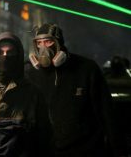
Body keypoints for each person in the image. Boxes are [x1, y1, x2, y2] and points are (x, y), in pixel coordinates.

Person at [25, 23, 128, 157]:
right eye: (39, 43)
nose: (43, 47)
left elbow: (107, 113)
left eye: (48, 42)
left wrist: (120, 151)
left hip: (86, 151)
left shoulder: (87, 69)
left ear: (59, 43)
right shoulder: (31, 74)